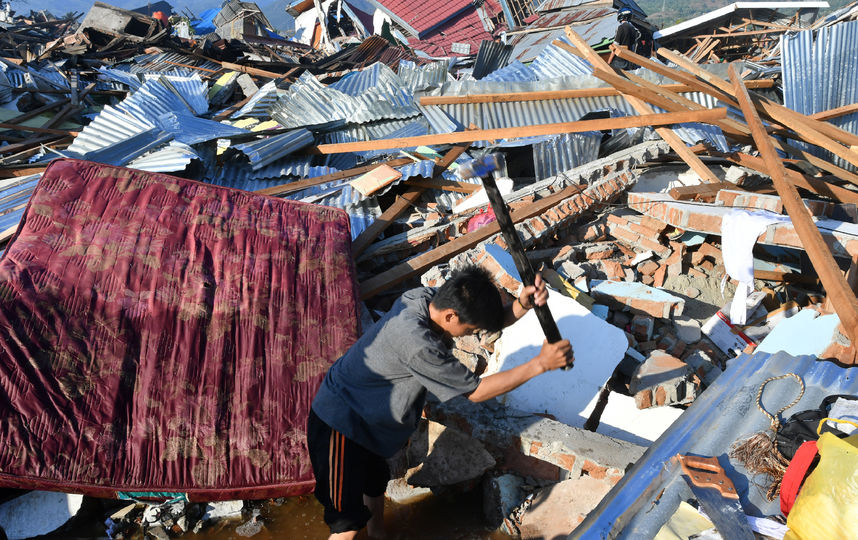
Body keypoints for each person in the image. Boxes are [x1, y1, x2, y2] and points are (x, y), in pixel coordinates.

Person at [307, 266, 574, 539]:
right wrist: (540, 364)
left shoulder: (426, 299)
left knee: (373, 485)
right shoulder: (417, 343)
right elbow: (477, 391)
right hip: (340, 425)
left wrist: (520, 305)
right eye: (468, 330)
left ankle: (378, 535)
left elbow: (471, 318)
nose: (464, 336)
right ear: (450, 316)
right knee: (347, 524)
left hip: (368, 421)